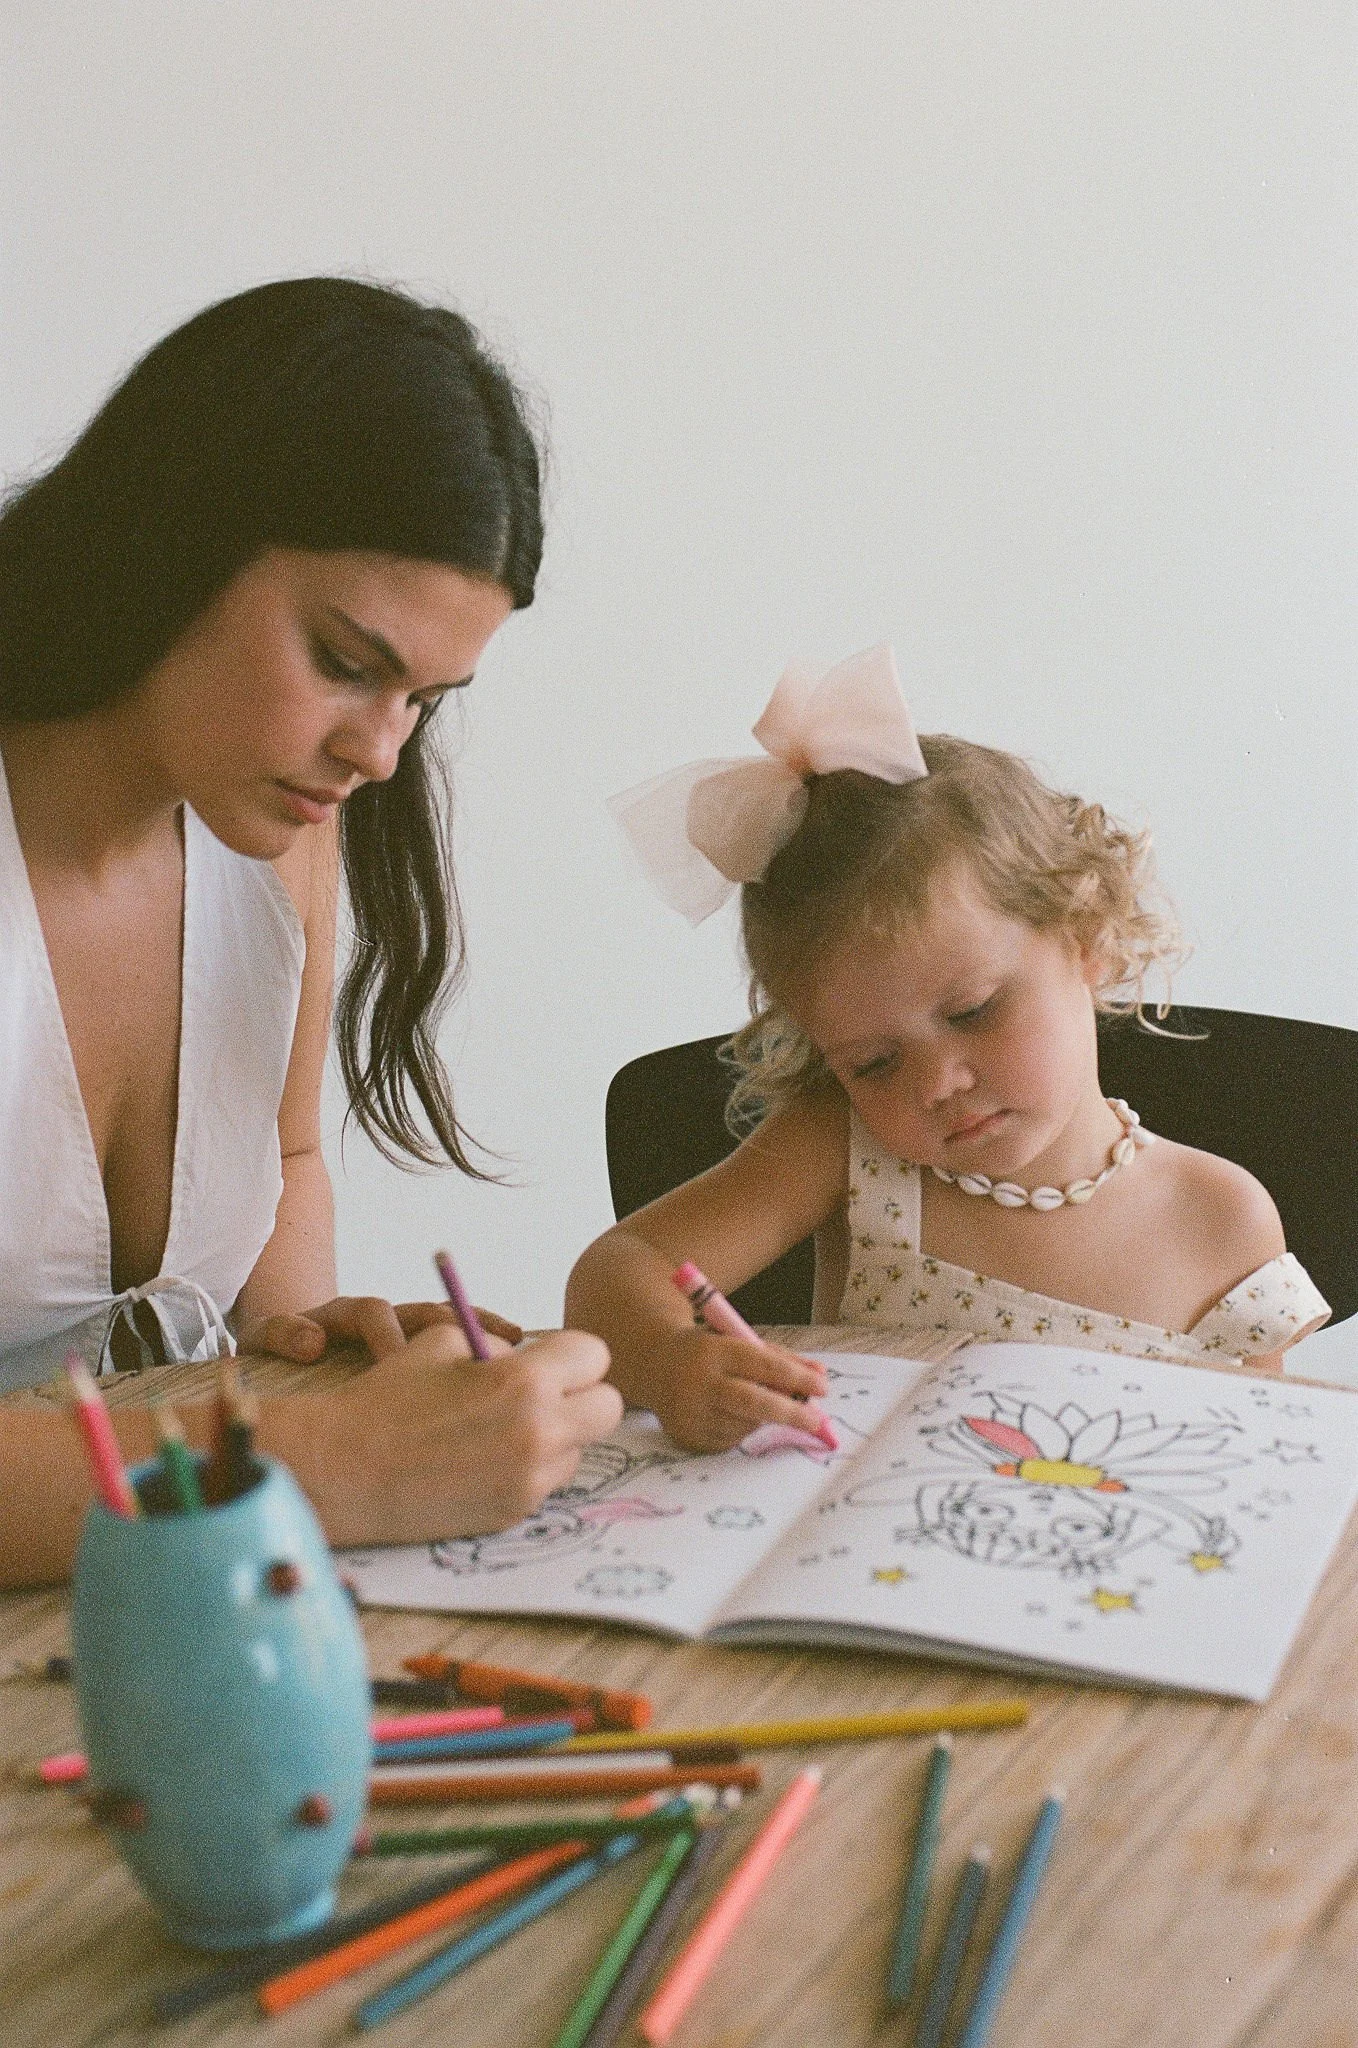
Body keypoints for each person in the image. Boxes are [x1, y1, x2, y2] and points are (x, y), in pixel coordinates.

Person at [0, 277, 621, 1587]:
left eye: (424, 700)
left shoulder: (277, 835)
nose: (380, 753)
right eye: (346, 663)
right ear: (173, 536)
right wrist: (333, 1462)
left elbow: (283, 1157)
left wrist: (310, 1350)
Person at [565, 645, 1329, 1452]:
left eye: (973, 1011)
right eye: (873, 1063)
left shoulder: (1219, 1219)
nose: (937, 1082)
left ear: (1087, 936)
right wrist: (670, 1362)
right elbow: (620, 1267)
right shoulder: (848, 1152)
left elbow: (1264, 1470)